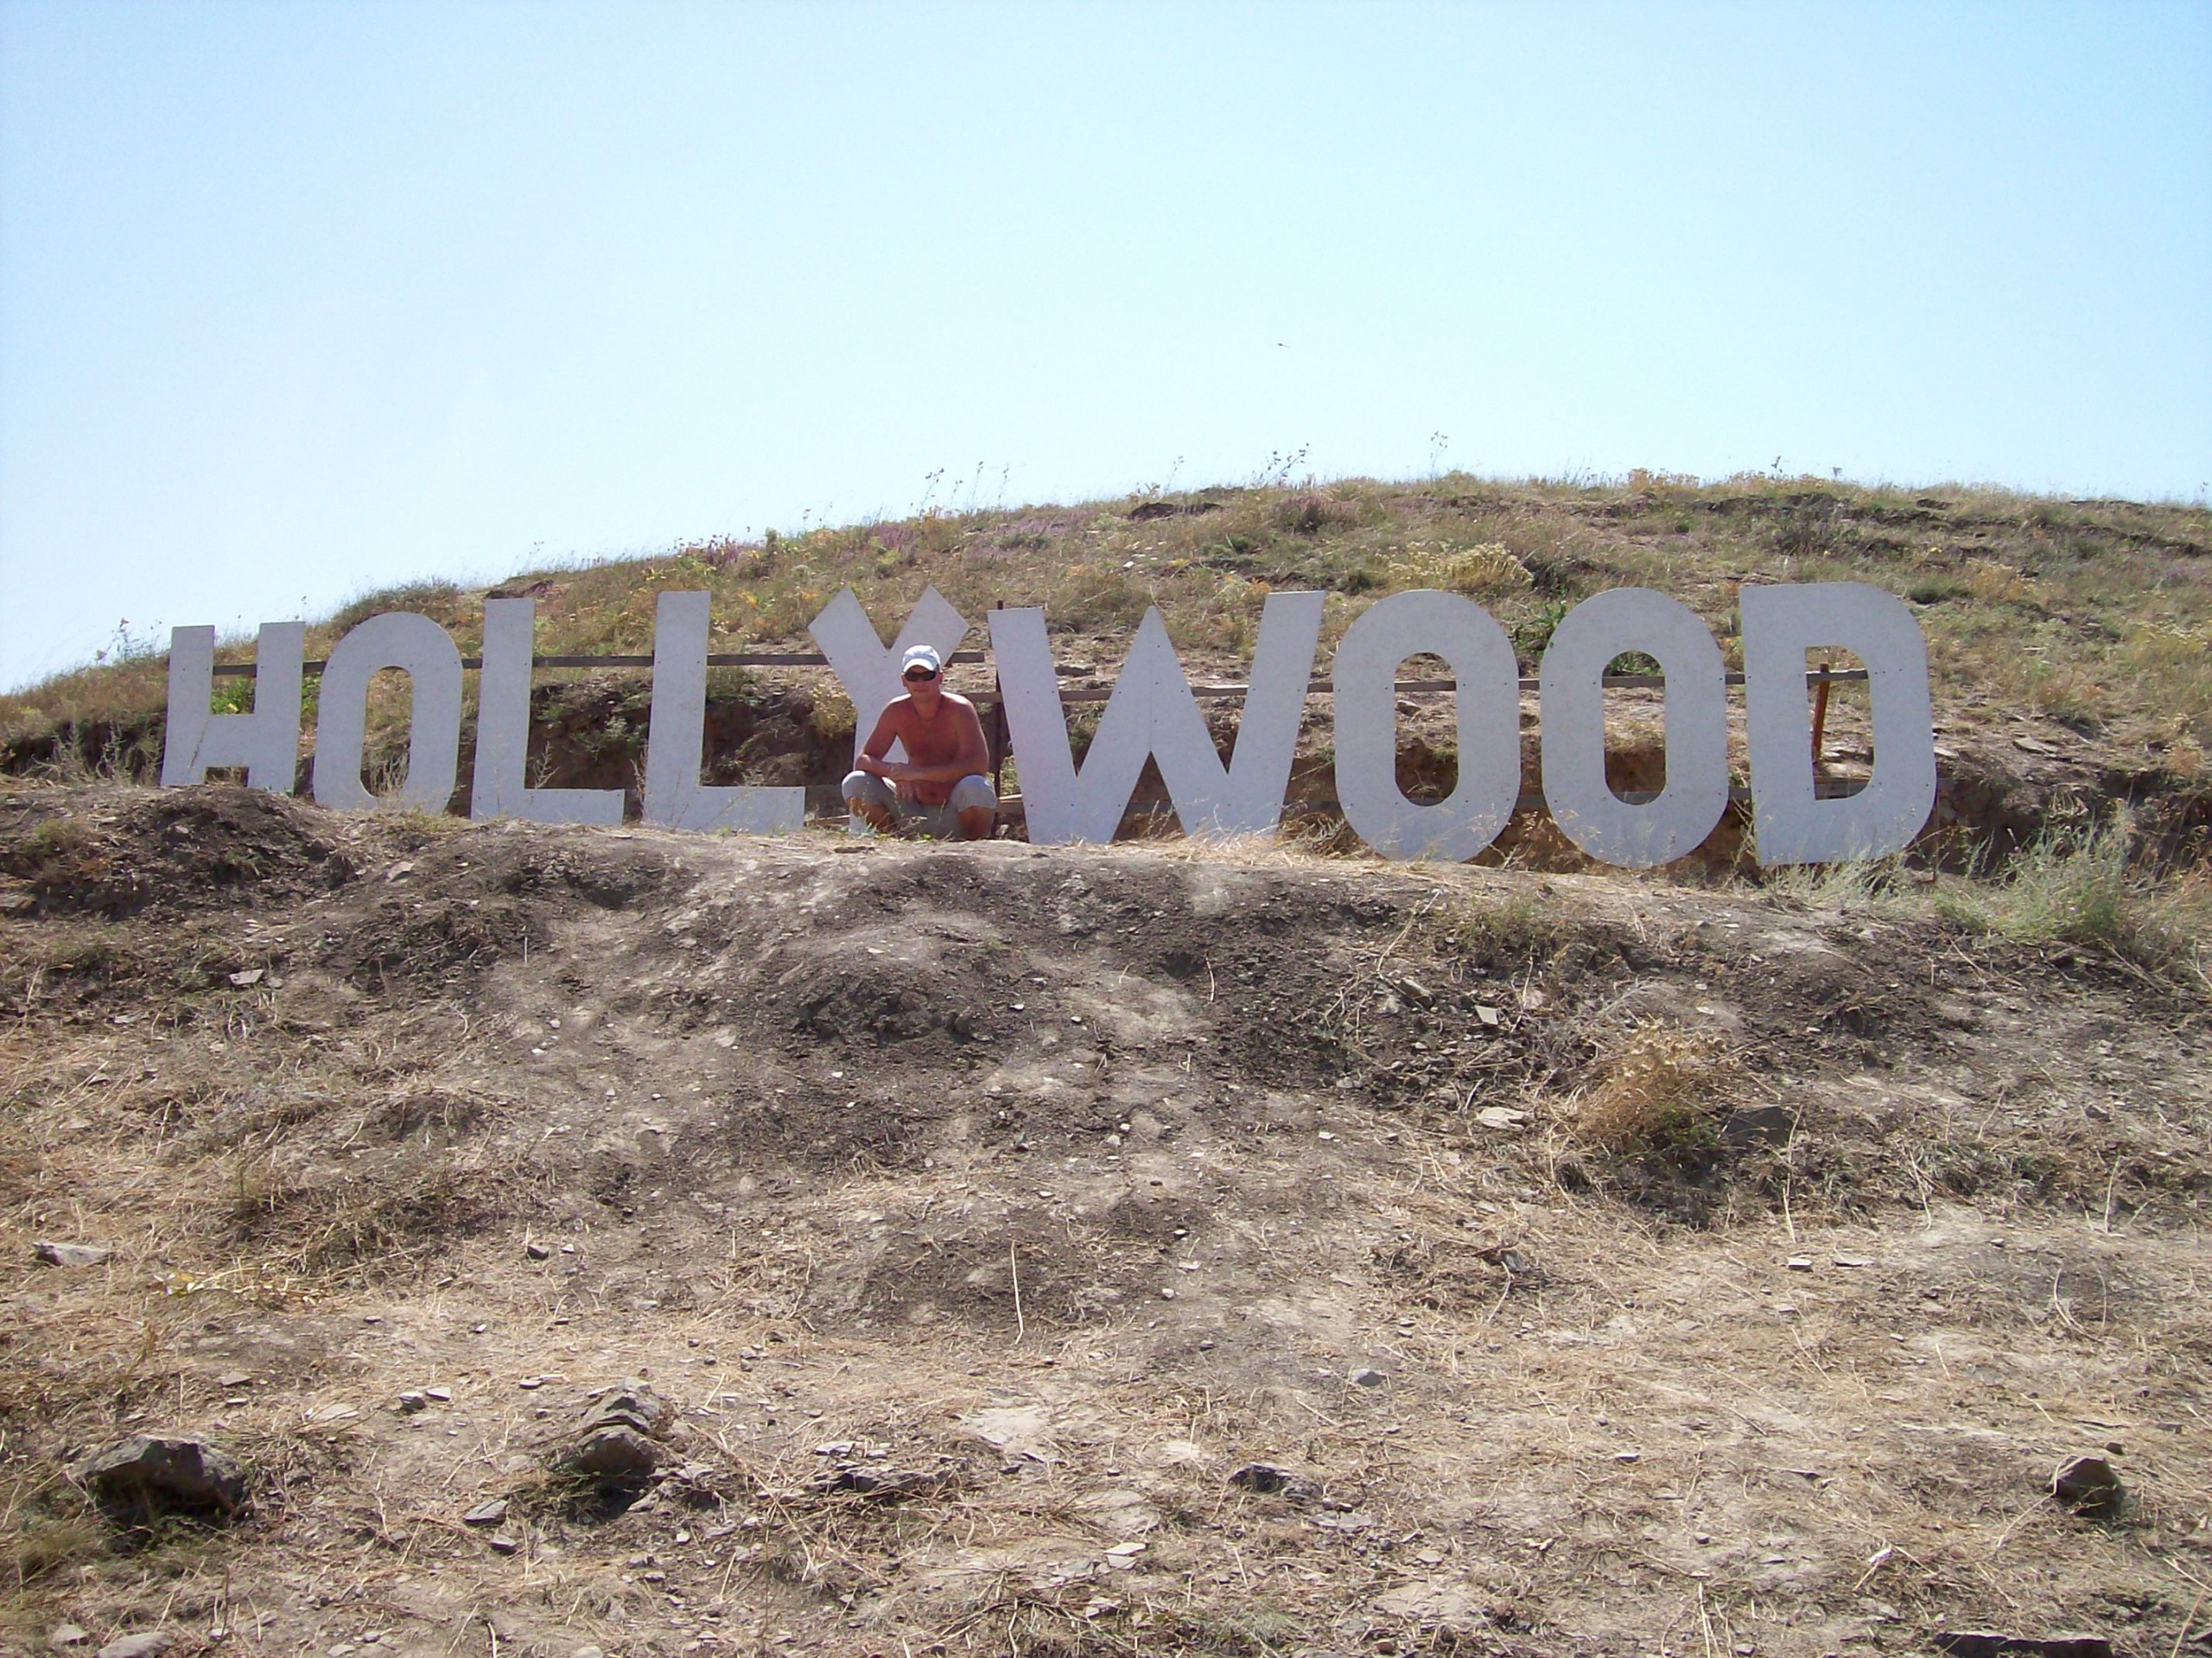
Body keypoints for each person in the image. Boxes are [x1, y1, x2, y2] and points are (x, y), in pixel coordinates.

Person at [842, 644, 997, 840]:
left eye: (927, 675)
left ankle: (975, 846)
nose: (920, 682)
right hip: (911, 812)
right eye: (913, 676)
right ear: (904, 680)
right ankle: (893, 841)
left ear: (940, 677)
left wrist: (916, 773)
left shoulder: (960, 710)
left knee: (977, 787)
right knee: (855, 782)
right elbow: (864, 759)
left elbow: (978, 766)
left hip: (953, 812)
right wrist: (895, 773)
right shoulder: (896, 710)